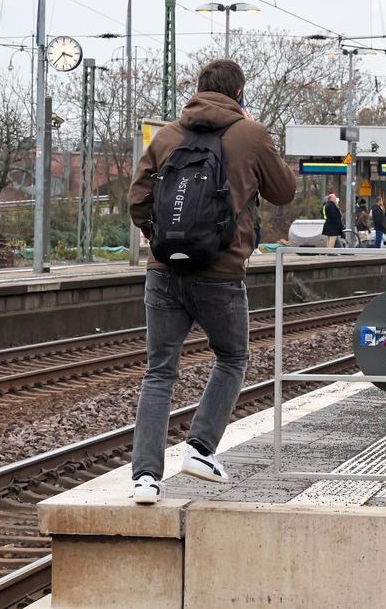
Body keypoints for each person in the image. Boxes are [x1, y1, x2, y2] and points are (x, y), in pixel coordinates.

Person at [127, 59, 296, 504]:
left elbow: (137, 200)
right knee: (233, 357)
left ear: (198, 90)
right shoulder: (250, 134)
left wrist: (162, 240)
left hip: (164, 272)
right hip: (220, 274)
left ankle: (145, 478)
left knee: (159, 372)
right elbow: (284, 192)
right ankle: (200, 449)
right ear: (239, 93)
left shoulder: (166, 135)